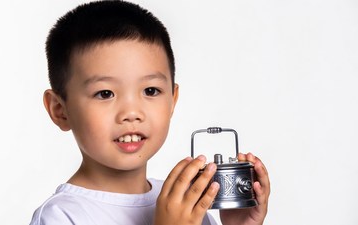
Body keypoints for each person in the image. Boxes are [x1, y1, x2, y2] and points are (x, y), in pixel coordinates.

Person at [30, 1, 270, 225]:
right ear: (60, 110)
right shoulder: (60, 216)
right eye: (105, 94)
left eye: (151, 90)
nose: (132, 113)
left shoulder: (183, 204)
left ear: (172, 101)